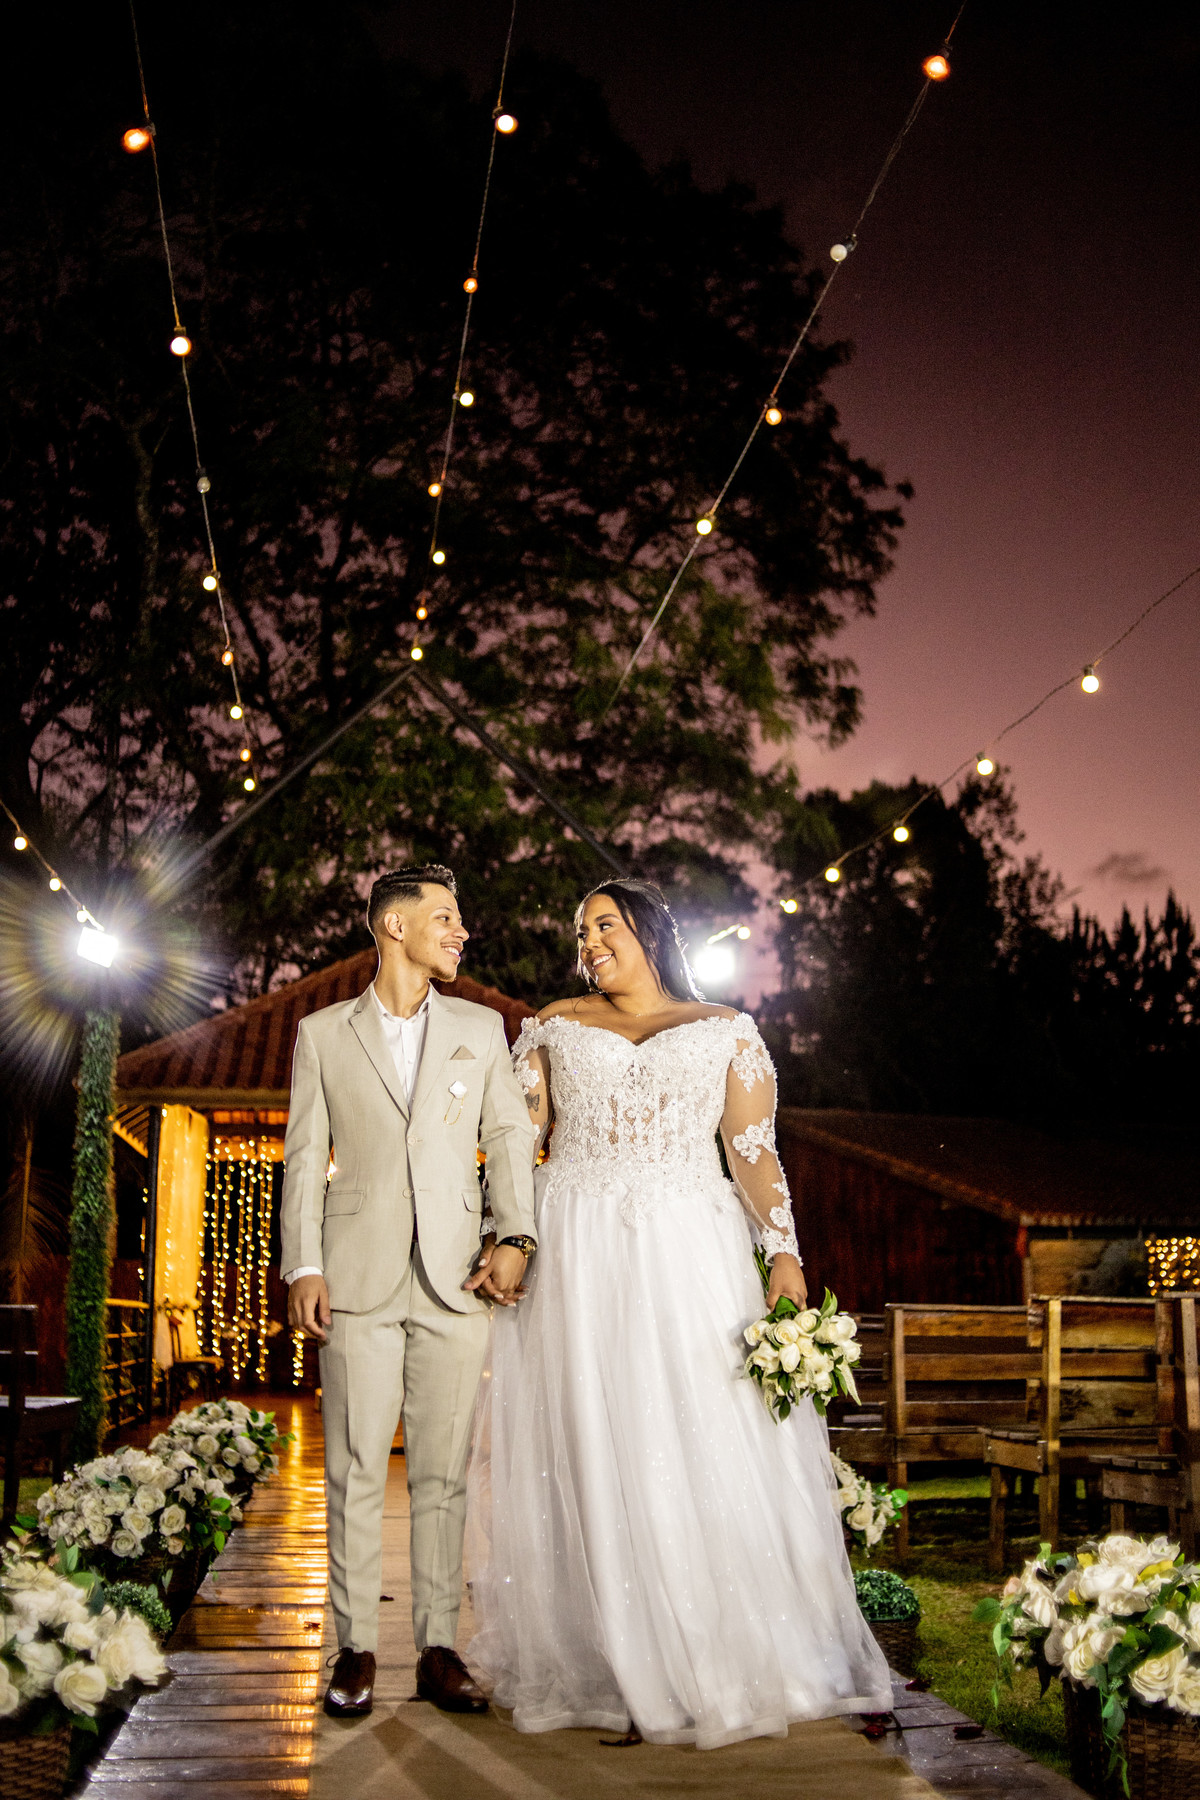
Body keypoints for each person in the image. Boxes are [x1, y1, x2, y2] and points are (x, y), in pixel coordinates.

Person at [466, 877, 891, 1748]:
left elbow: (753, 1153)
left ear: (651, 931)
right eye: (580, 929)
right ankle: (609, 1652)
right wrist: (504, 1227)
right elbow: (521, 1138)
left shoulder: (725, 1032)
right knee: (591, 1434)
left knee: (698, 1427)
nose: (588, 941)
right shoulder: (551, 1026)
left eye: (605, 924)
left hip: (688, 1252)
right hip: (577, 1244)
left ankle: (717, 1645)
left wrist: (783, 1255)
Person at [282, 864, 537, 1721]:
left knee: (443, 1474)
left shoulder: (481, 1027)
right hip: (353, 1277)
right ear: (393, 926)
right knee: (354, 1470)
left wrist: (515, 1236)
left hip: (458, 1277)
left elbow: (507, 1136)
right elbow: (302, 1161)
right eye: (445, 918)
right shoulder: (321, 1035)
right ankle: (353, 1649)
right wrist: (302, 1265)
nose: (461, 932)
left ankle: (437, 1647)